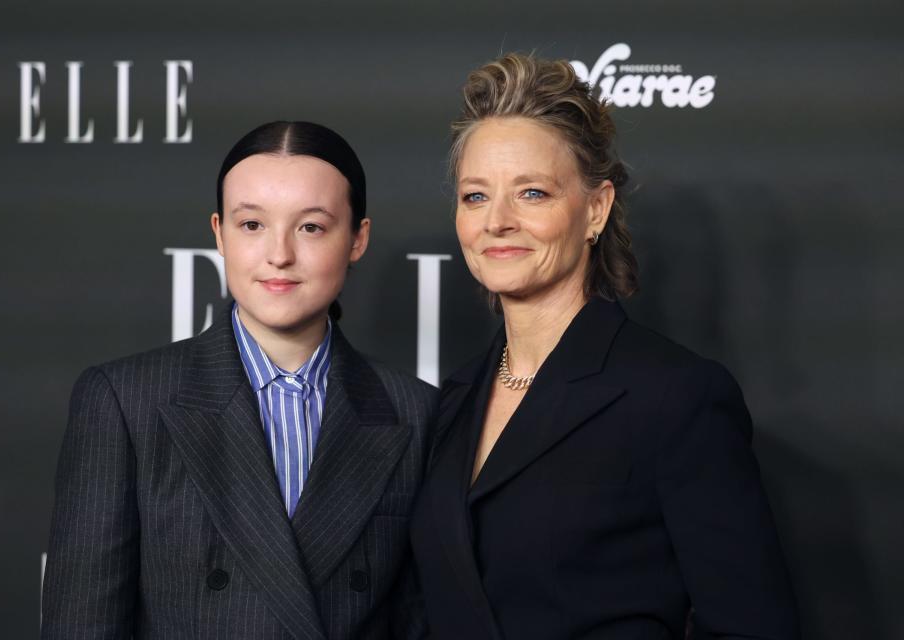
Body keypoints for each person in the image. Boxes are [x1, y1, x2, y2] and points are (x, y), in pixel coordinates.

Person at [409, 54, 801, 639]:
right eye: (474, 196)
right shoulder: (452, 402)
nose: (497, 221)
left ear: (595, 209)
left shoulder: (676, 397)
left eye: (533, 193)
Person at [42, 121, 435, 640]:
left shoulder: (415, 412)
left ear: (358, 239)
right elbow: (83, 626)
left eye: (311, 227)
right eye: (252, 225)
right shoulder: (125, 401)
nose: (279, 254)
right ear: (218, 233)